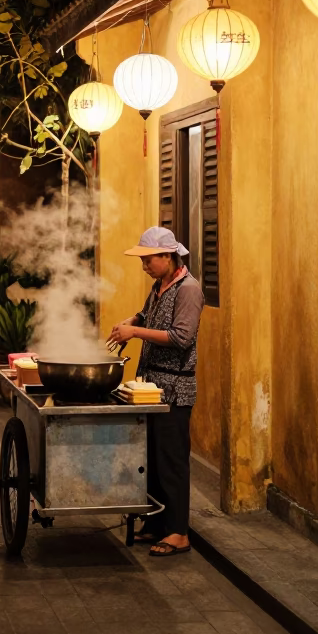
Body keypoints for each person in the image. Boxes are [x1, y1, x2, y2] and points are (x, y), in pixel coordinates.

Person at [109, 227, 204, 559]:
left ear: (167, 257)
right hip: (151, 387)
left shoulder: (189, 290)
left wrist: (135, 332)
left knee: (172, 461)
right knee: (150, 457)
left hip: (174, 389)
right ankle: (158, 523)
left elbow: (181, 337)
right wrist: (132, 320)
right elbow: (148, 314)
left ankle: (178, 532)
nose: (145, 266)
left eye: (148, 260)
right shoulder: (161, 285)